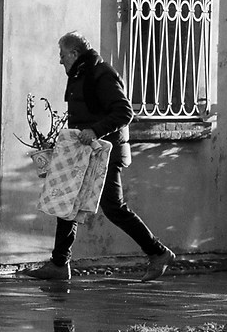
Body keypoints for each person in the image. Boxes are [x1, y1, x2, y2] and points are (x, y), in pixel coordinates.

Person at [25, 31, 179, 282]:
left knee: (113, 207)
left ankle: (158, 253)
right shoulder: (81, 74)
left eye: (62, 55)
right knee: (68, 202)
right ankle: (59, 264)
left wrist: (95, 130)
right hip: (85, 153)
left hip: (104, 155)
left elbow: (124, 112)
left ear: (75, 54)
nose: (60, 61)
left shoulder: (101, 74)